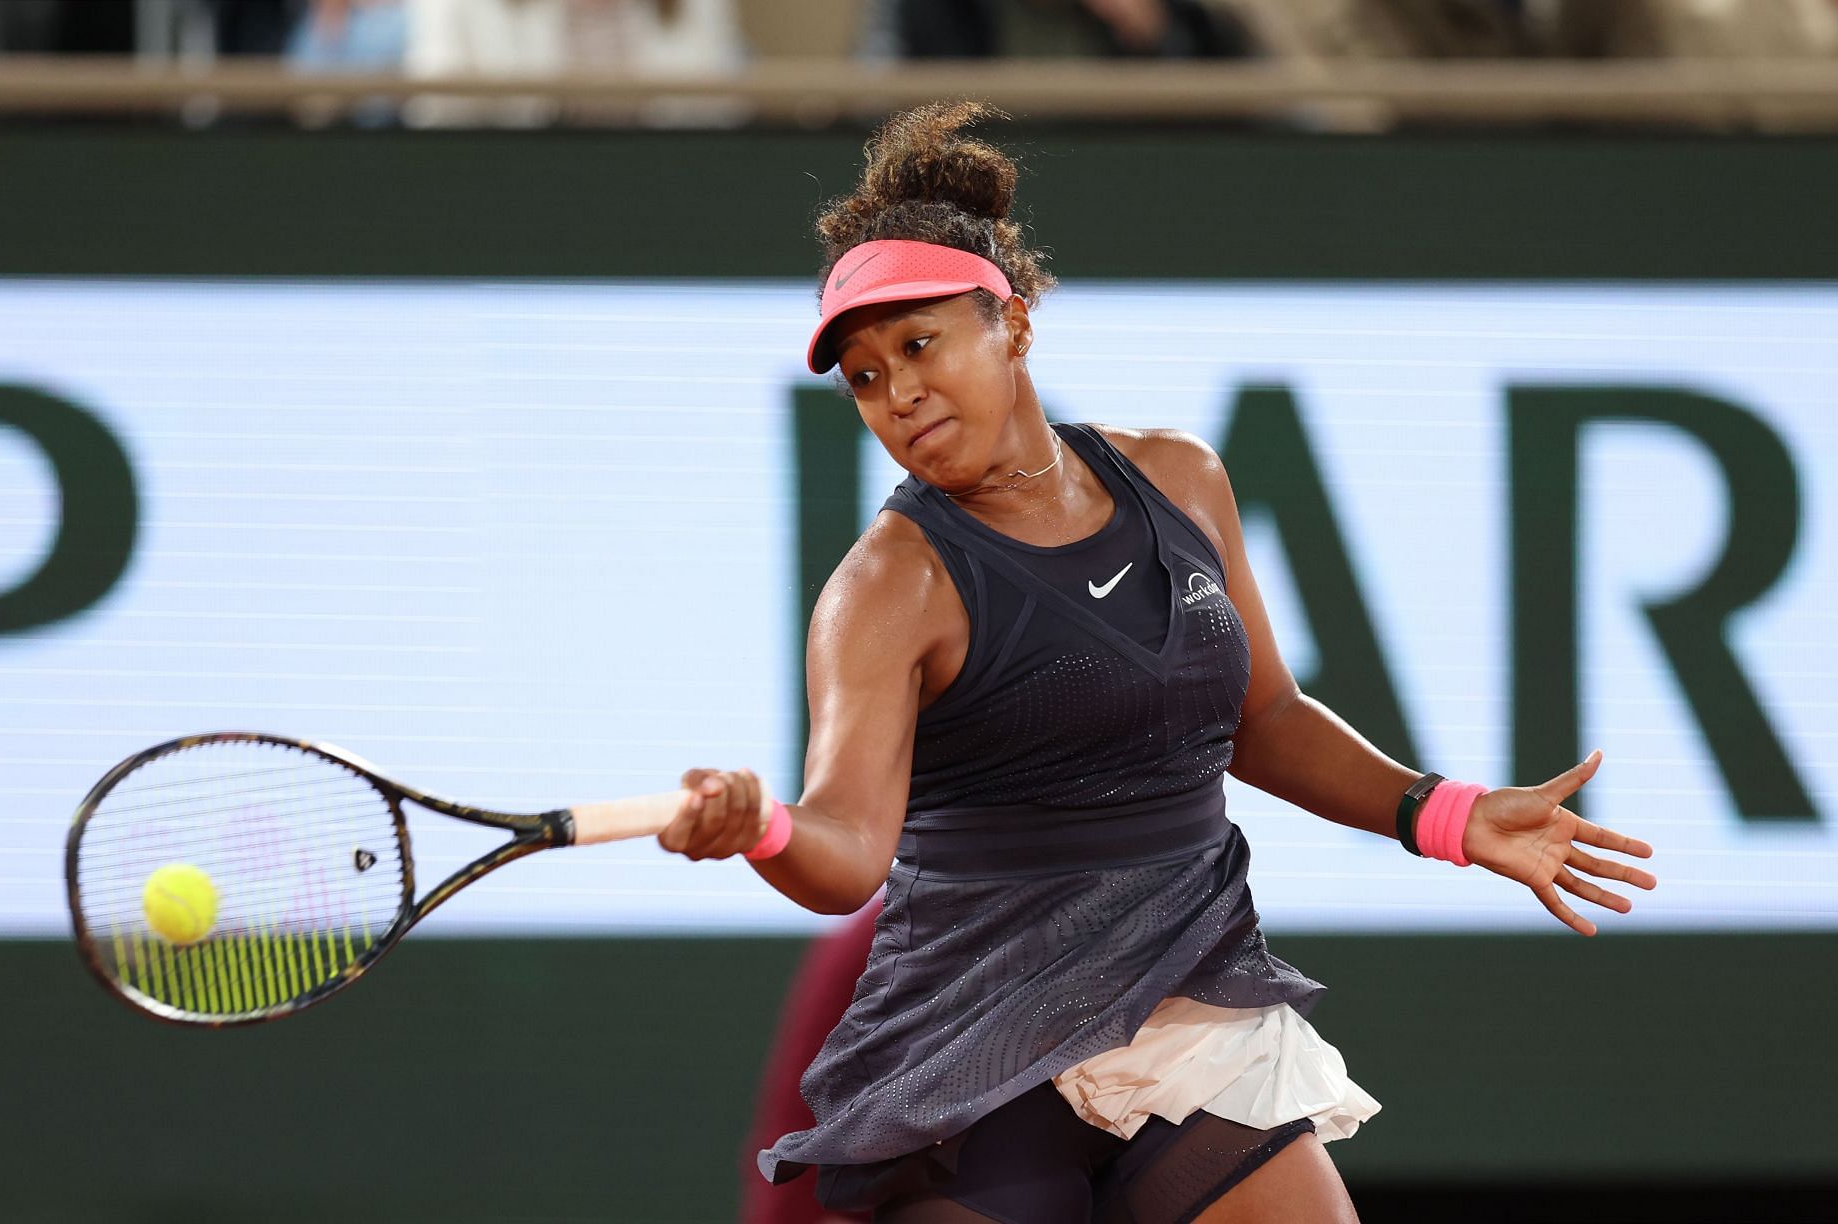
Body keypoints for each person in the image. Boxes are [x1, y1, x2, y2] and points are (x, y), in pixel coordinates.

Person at [661, 101, 1658, 1223]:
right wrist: (764, 829)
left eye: (919, 345)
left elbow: (1264, 717)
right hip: (975, 1046)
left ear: (1014, 323)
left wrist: (1443, 814)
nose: (899, 396)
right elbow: (847, 851)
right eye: (864, 376)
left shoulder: (1181, 479)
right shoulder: (885, 588)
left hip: (1182, 999)